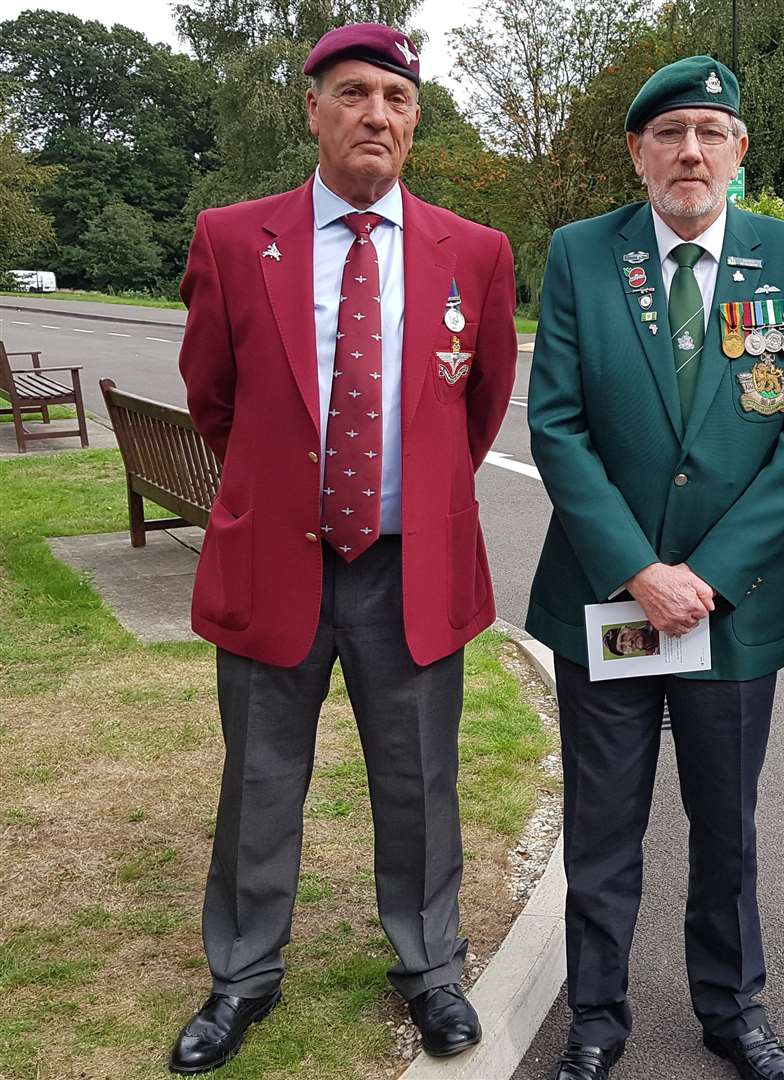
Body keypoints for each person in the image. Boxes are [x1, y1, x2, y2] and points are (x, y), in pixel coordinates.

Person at [168, 23, 517, 1074]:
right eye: (354, 94)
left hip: (408, 567)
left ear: (415, 120)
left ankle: (428, 971)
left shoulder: (475, 251)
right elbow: (213, 398)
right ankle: (242, 978)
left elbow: (479, 405)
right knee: (260, 780)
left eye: (397, 100)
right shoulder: (234, 238)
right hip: (278, 561)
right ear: (312, 108)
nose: (377, 115)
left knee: (419, 782)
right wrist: (293, 491)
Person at [526, 55, 784, 1080]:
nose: (690, 151)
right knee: (604, 825)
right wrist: (639, 571)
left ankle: (732, 1010)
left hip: (733, 607)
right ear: (637, 152)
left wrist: (703, 572)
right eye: (668, 133)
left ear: (739, 150)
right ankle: (595, 1018)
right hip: (608, 602)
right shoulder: (580, 254)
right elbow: (558, 426)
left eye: (710, 131)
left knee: (726, 828)